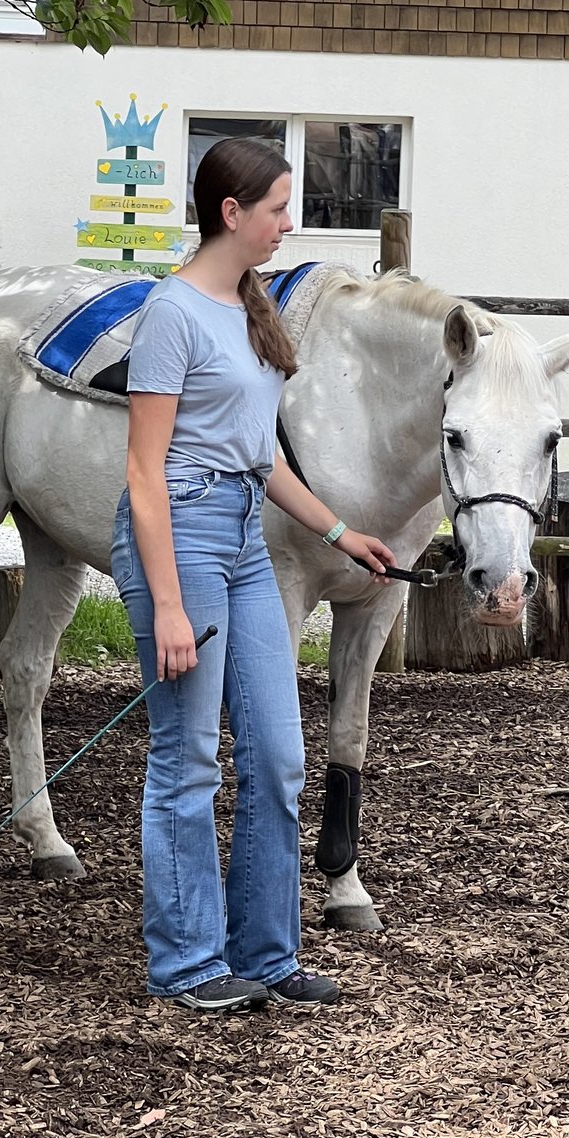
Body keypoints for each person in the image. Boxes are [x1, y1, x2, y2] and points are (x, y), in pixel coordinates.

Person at [110, 136, 397, 1014]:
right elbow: (143, 470)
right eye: (276, 208)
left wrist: (342, 531)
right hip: (182, 539)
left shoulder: (249, 305)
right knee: (188, 757)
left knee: (277, 755)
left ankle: (267, 956)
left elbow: (260, 455)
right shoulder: (173, 314)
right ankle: (188, 962)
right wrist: (165, 602)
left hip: (243, 537)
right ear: (229, 213)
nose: (288, 223)